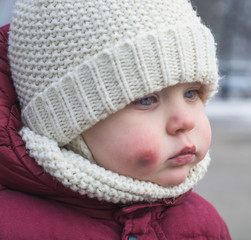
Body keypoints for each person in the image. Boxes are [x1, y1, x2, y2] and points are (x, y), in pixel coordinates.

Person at [0, 0, 231, 239]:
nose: (185, 121)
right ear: (67, 125)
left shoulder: (203, 225)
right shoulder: (11, 227)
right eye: (146, 99)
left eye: (191, 93)